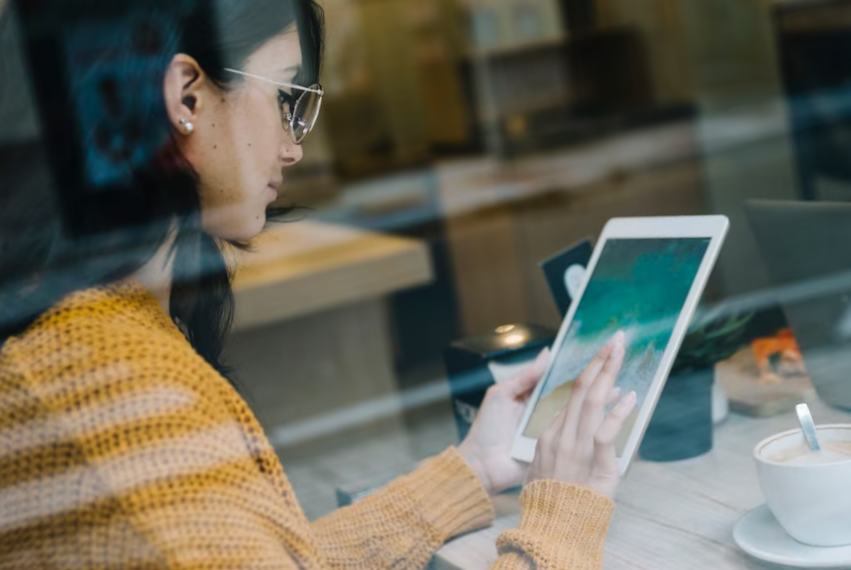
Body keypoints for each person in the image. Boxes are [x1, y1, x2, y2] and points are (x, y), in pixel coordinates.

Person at [0, 0, 637, 568]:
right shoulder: (124, 401)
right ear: (186, 97)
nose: (292, 148)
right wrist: (561, 527)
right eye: (285, 98)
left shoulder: (85, 340)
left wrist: (472, 469)